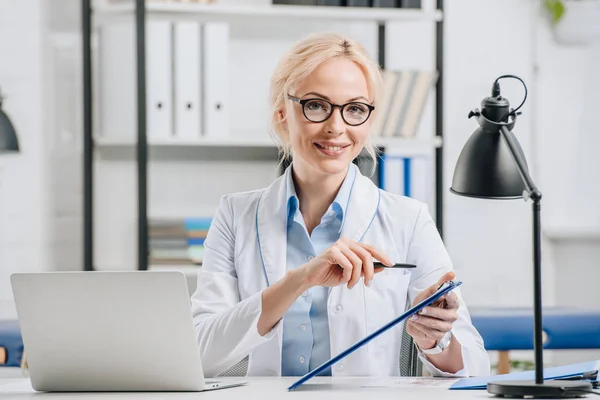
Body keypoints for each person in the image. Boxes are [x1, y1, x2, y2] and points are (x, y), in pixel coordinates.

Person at [190, 32, 490, 379]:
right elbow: (200, 355)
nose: (337, 127)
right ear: (282, 111)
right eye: (316, 105)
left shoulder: (408, 219)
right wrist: (300, 280)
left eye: (355, 109)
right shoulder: (235, 216)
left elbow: (472, 365)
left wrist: (436, 341)